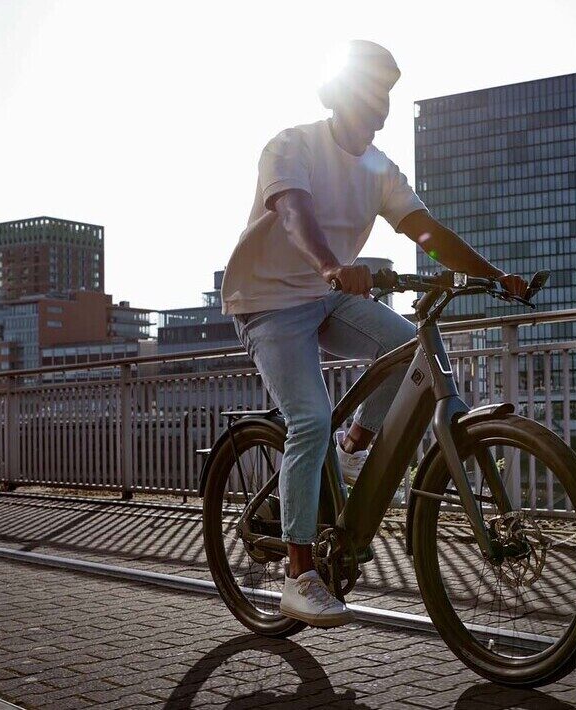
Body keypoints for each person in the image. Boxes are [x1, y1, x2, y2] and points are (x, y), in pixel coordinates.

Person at [220, 40, 527, 628]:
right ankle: (297, 575)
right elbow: (293, 213)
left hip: (324, 294)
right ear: (338, 96)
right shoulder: (291, 146)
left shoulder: (380, 170)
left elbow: (426, 230)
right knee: (308, 418)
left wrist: (494, 276)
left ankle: (355, 438)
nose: (379, 105)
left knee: (409, 345)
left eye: (385, 95)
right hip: (268, 303)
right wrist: (332, 265)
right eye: (368, 92)